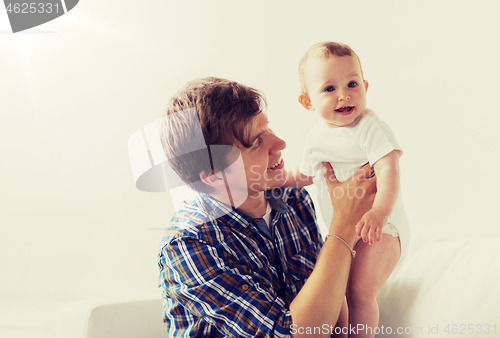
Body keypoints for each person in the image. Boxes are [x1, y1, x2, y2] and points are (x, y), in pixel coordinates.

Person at [157, 77, 377, 337]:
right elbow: (288, 334)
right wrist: (343, 226)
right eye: (256, 143)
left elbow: (330, 301)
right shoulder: (189, 245)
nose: (280, 144)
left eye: (268, 129)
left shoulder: (293, 200)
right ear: (215, 176)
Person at [284, 42, 410, 337]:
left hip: (382, 229)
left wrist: (379, 212)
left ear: (365, 86)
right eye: (329, 89)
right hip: (345, 234)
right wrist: (270, 180)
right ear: (307, 102)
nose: (344, 95)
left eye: (352, 84)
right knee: (336, 296)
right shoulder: (316, 137)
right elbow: (303, 175)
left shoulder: (369, 126)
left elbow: (389, 169)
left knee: (359, 291)